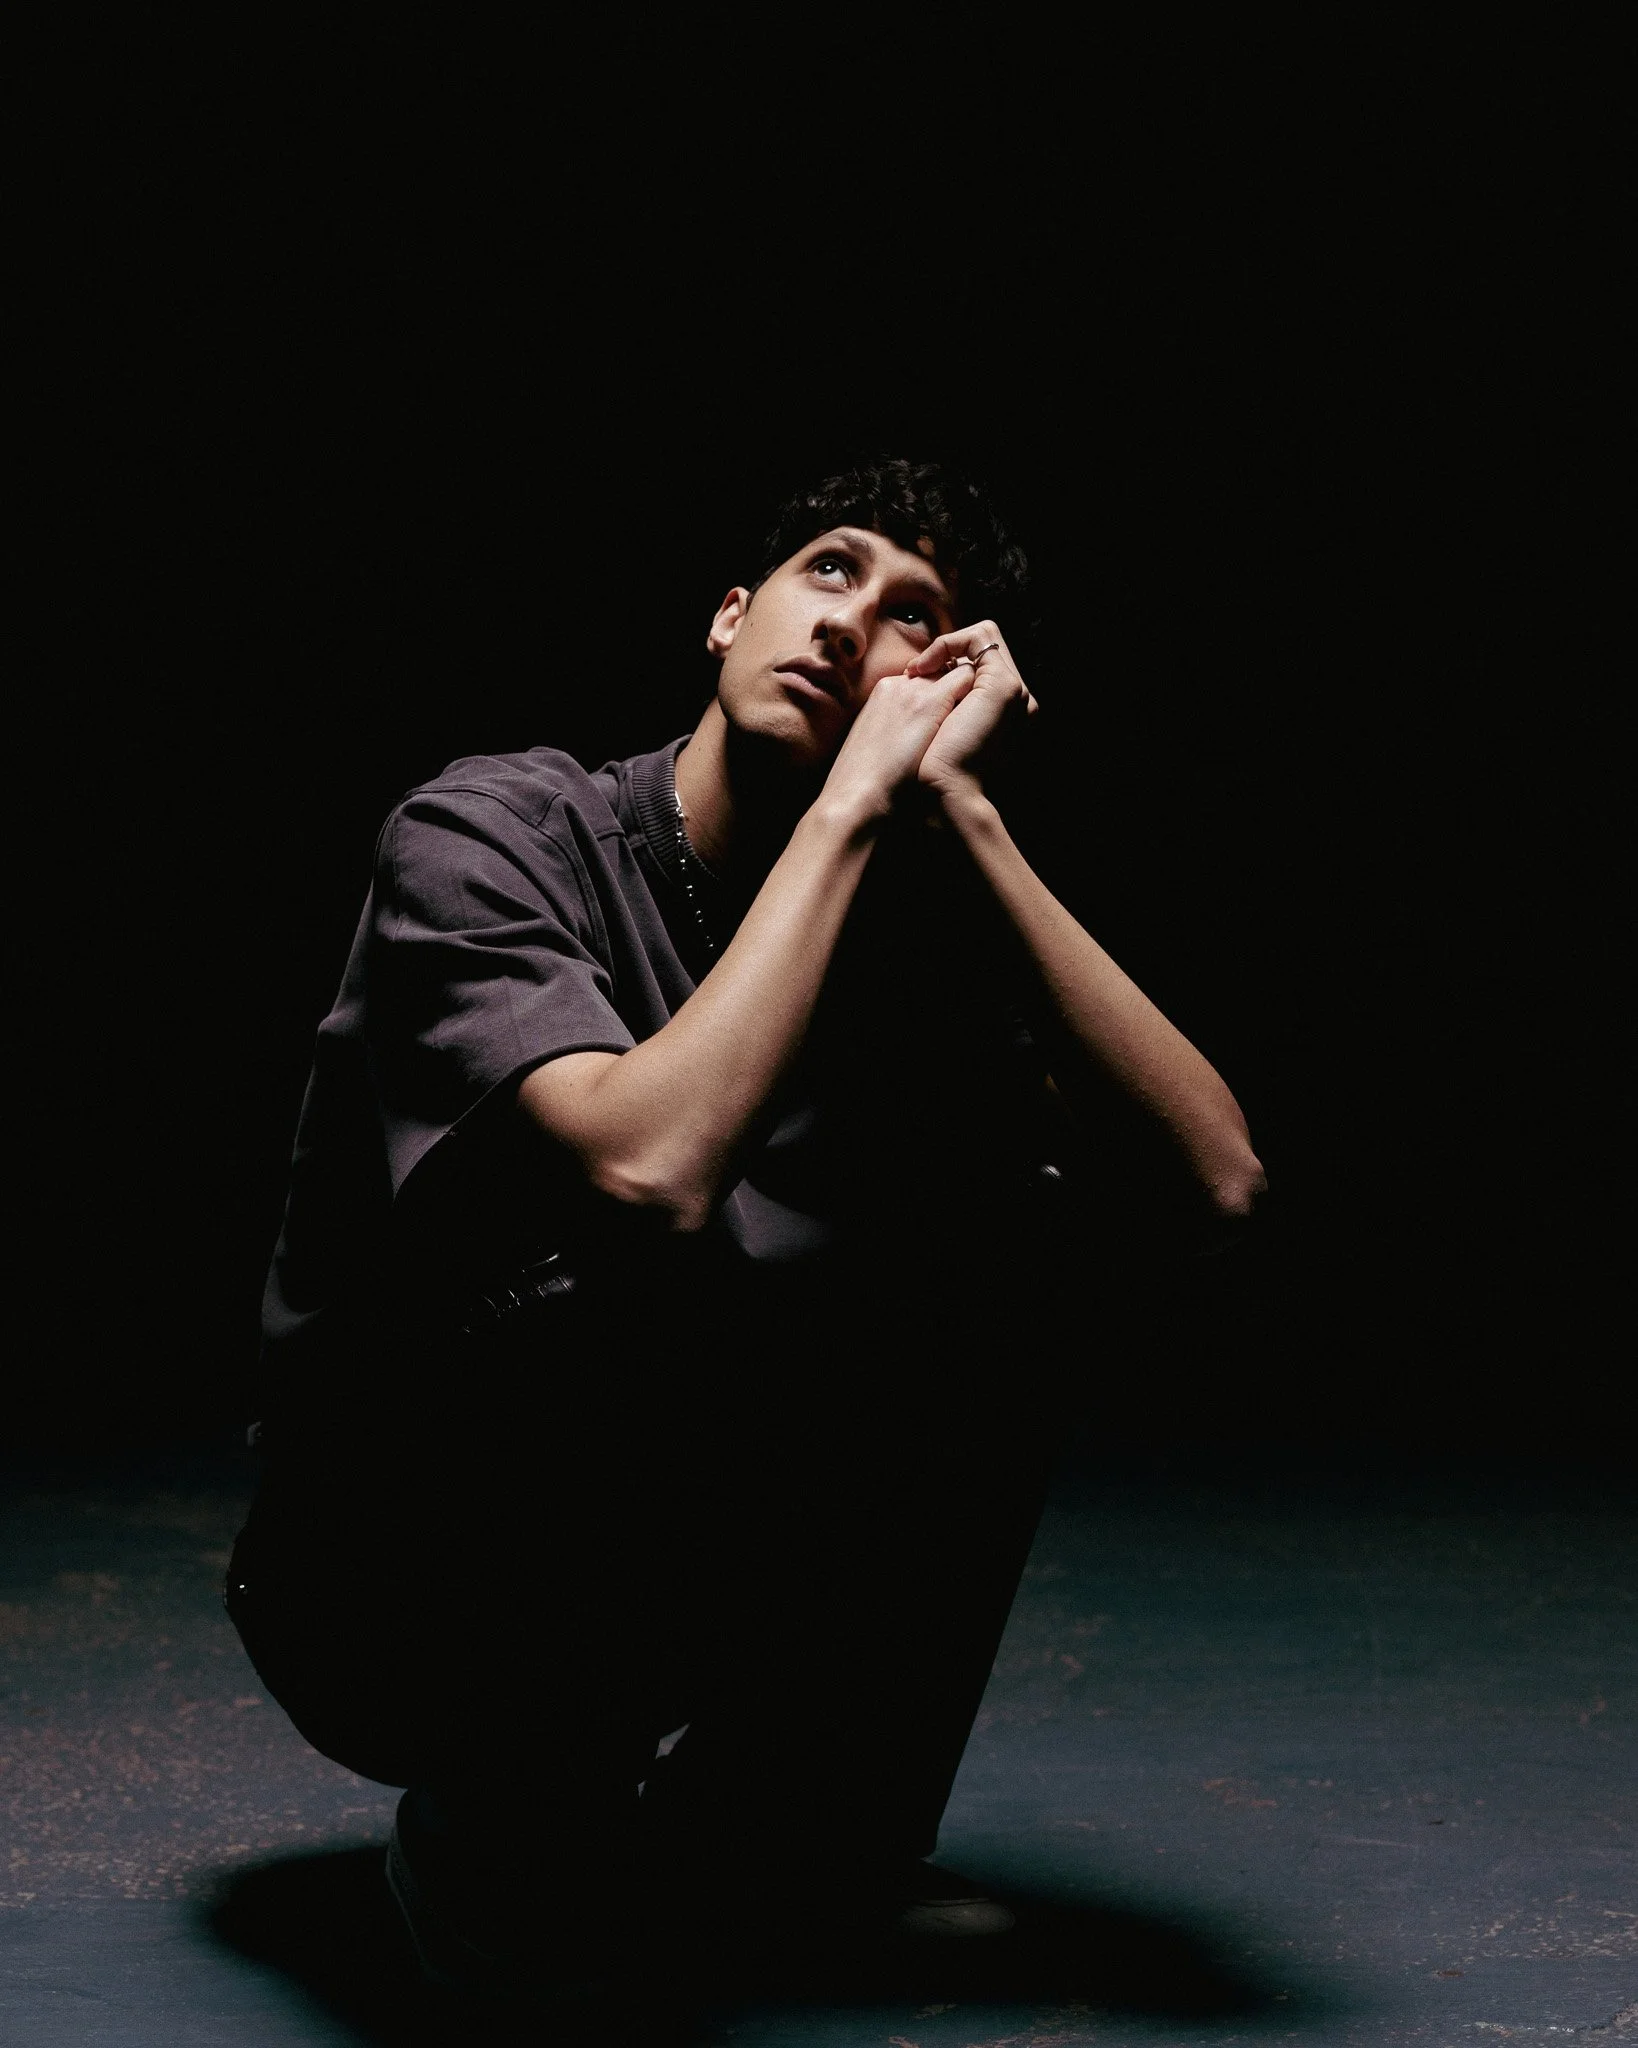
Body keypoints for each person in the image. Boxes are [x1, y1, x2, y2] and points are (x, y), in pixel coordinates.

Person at [226, 458, 1265, 1998]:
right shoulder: (495, 828)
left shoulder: (900, 937)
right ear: (729, 620)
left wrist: (963, 818)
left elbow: (1213, 1185)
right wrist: (855, 804)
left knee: (1022, 1260)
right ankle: (500, 1834)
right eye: (829, 574)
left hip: (679, 1536)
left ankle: (788, 1841)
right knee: (620, 1267)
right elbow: (648, 1170)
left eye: (919, 619)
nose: (857, 626)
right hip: (384, 1580)